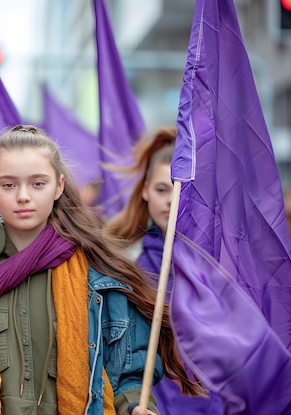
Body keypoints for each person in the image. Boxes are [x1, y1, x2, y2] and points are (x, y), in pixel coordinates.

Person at [0, 125, 203, 415]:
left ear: (58, 186)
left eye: (38, 183)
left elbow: (128, 375)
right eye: (8, 184)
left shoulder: (100, 276)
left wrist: (137, 407)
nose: (23, 196)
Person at [106, 127, 223, 415]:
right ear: (145, 191)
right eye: (161, 189)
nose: (171, 200)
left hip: (214, 402)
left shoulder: (219, 266)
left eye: (179, 189)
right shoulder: (126, 268)